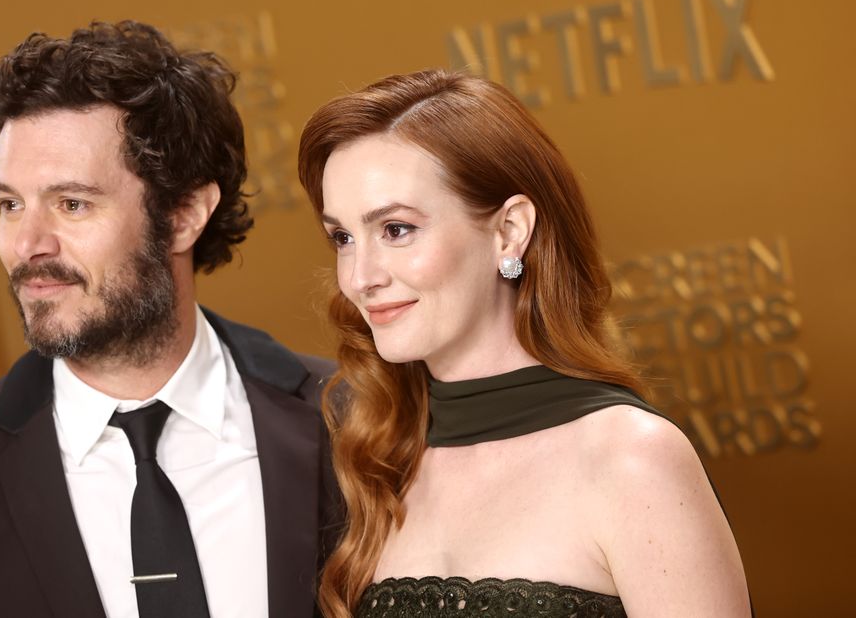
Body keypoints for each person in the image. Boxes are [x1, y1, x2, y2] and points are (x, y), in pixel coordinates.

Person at [0, 20, 338, 618]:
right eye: (10, 204)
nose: (27, 244)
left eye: (72, 204)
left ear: (185, 213)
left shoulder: (355, 421)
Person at [297, 69, 751, 618]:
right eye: (343, 238)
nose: (360, 277)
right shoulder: (377, 461)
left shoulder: (631, 457)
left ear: (510, 230)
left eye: (396, 229)